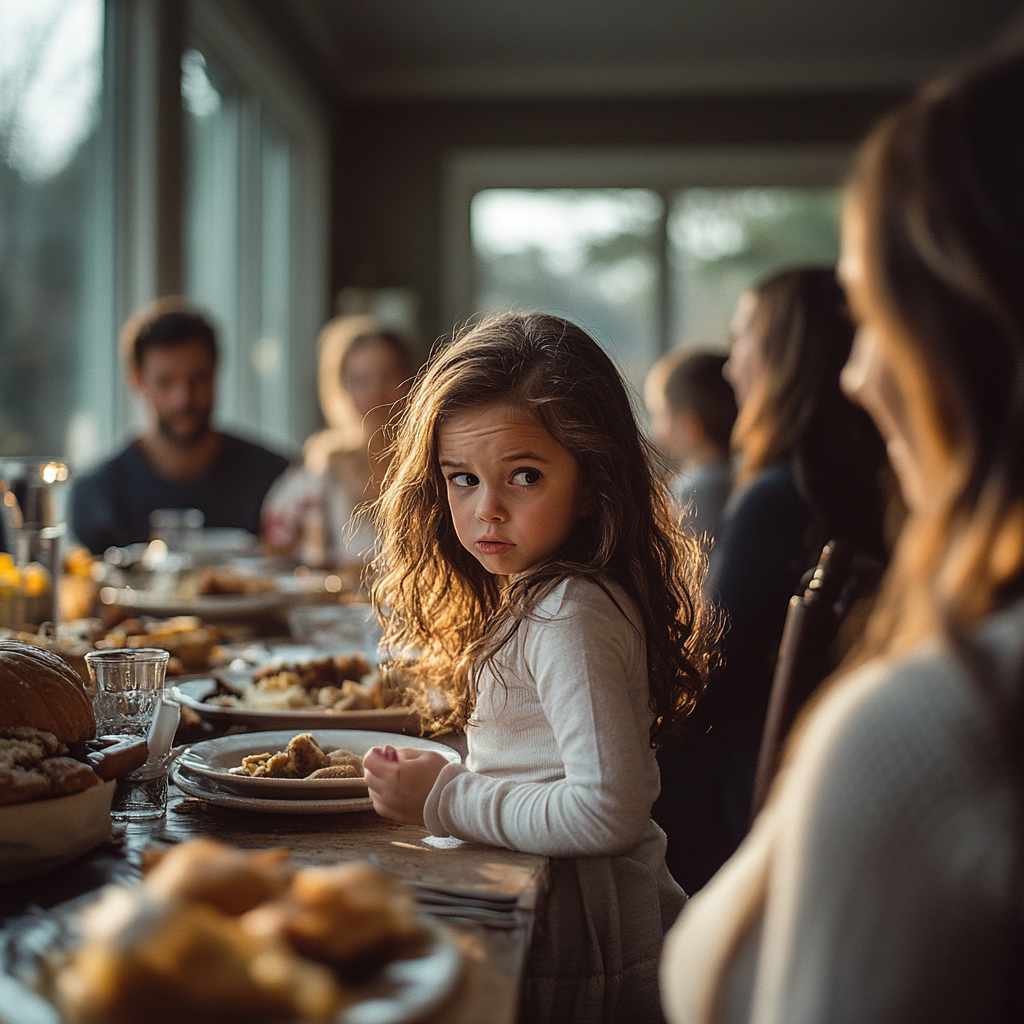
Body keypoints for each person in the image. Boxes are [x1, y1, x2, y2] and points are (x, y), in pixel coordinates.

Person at [661, 43, 1024, 1024]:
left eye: (872, 312)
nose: (857, 375)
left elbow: (716, 660)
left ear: (967, 336)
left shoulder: (940, 733)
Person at [361, 312, 720, 1024]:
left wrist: (446, 797)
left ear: (593, 481)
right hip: (550, 900)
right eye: (461, 479)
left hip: (584, 939)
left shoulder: (568, 615)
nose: (486, 509)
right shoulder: (542, 594)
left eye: (523, 476)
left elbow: (607, 812)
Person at [654, 267, 892, 895]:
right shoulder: (863, 484)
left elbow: (709, 668)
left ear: (784, 356)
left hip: (740, 782)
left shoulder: (775, 496)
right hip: (824, 766)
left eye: (743, 342)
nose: (732, 369)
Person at [70, 299, 290, 554]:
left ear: (216, 373)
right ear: (137, 381)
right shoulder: (98, 495)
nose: (183, 399)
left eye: (198, 379)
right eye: (165, 382)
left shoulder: (275, 480)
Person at [261, 315, 415, 566]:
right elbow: (276, 543)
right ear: (341, 388)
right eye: (360, 380)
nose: (376, 392)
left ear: (412, 379)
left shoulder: (438, 460)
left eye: (389, 375)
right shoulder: (326, 467)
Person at [645, 350, 737, 539]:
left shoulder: (690, 491)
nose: (656, 428)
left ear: (690, 425)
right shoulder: (736, 476)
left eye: (660, 414)